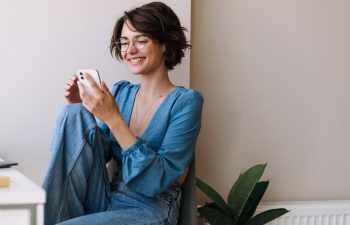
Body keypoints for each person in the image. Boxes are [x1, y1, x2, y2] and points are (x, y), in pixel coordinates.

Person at [42, 2, 203, 225]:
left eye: (141, 40)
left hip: (150, 206)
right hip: (107, 195)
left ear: (165, 43)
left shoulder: (186, 102)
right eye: (125, 42)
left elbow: (159, 180)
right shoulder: (121, 92)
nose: (130, 50)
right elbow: (97, 154)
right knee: (73, 114)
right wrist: (83, 110)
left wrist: (113, 117)